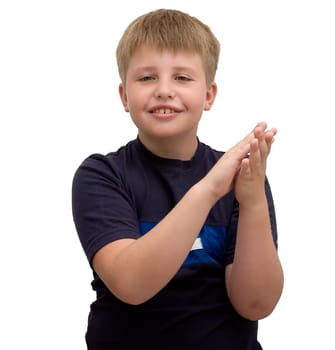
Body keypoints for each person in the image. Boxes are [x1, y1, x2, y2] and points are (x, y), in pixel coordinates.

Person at [72, 8, 284, 350]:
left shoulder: (243, 178)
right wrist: (210, 189)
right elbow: (132, 284)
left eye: (182, 78)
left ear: (209, 95)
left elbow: (256, 303)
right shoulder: (102, 175)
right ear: (125, 96)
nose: (164, 90)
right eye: (146, 78)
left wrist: (253, 200)